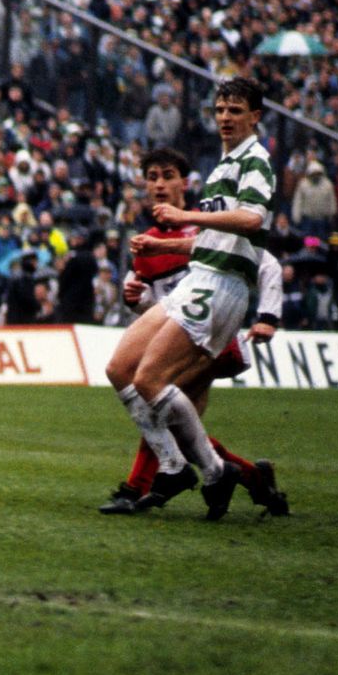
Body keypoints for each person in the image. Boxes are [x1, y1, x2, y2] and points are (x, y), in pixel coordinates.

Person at [103, 78, 275, 521]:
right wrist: (164, 247)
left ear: (255, 116)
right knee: (120, 369)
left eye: (235, 110)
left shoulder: (256, 161)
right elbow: (216, 237)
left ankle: (195, 472)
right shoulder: (223, 165)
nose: (224, 117)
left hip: (219, 288)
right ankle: (190, 469)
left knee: (151, 381)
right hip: (199, 279)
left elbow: (253, 220)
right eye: (220, 109)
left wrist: (186, 216)